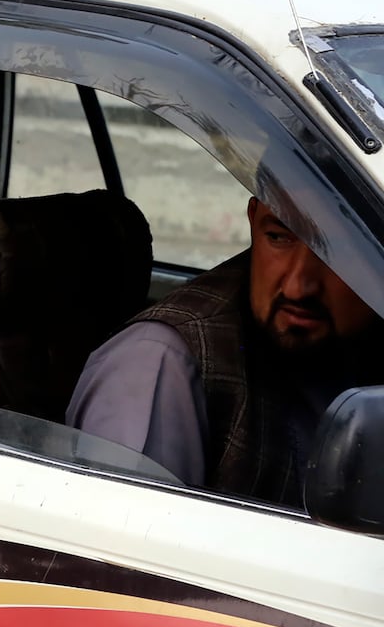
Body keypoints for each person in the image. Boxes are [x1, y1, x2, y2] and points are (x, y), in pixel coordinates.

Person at [67, 195, 383, 505]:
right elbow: (128, 545)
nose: (297, 287)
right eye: (277, 237)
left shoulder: (353, 346)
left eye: (338, 251)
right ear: (253, 218)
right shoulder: (157, 363)